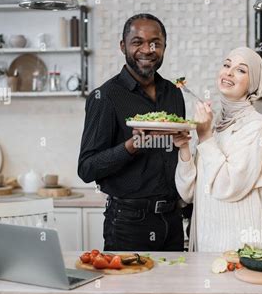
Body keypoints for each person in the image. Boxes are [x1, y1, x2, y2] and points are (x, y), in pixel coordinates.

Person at [78, 13, 186, 251]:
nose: (147, 49)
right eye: (137, 42)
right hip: (128, 222)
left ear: (164, 47)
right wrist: (132, 145)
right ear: (123, 46)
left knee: (177, 289)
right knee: (129, 289)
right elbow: (87, 168)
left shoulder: (174, 93)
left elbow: (177, 155)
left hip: (173, 219)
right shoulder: (105, 97)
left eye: (155, 42)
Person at [174, 47, 262, 252]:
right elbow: (189, 193)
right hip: (206, 242)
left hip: (240, 247)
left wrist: (205, 137)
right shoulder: (217, 122)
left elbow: (228, 186)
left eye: (241, 70)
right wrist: (184, 146)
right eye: (227, 65)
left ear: (253, 83)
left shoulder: (255, 126)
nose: (228, 72)